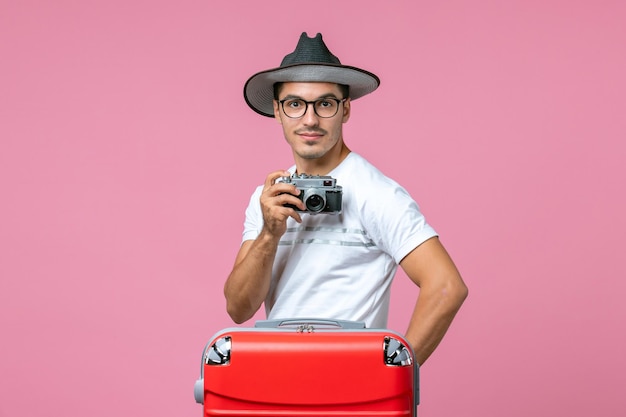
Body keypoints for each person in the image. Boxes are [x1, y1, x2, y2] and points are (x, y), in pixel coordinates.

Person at [224, 32, 468, 365]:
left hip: (353, 388)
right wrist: (269, 234)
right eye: (295, 104)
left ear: (345, 110)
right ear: (278, 112)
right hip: (277, 381)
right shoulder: (267, 198)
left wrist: (392, 377)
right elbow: (239, 309)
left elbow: (446, 287)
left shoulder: (376, 193)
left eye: (325, 103)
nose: (310, 119)